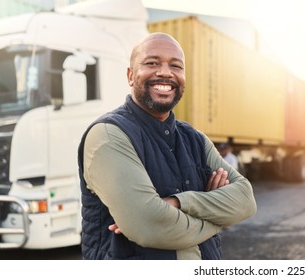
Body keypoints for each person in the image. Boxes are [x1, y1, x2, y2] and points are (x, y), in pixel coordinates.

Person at [77, 32, 257, 260]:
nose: (165, 72)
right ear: (130, 76)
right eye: (152, 63)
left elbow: (245, 200)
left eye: (176, 66)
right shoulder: (109, 134)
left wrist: (177, 203)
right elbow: (149, 226)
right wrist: (218, 218)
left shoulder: (195, 139)